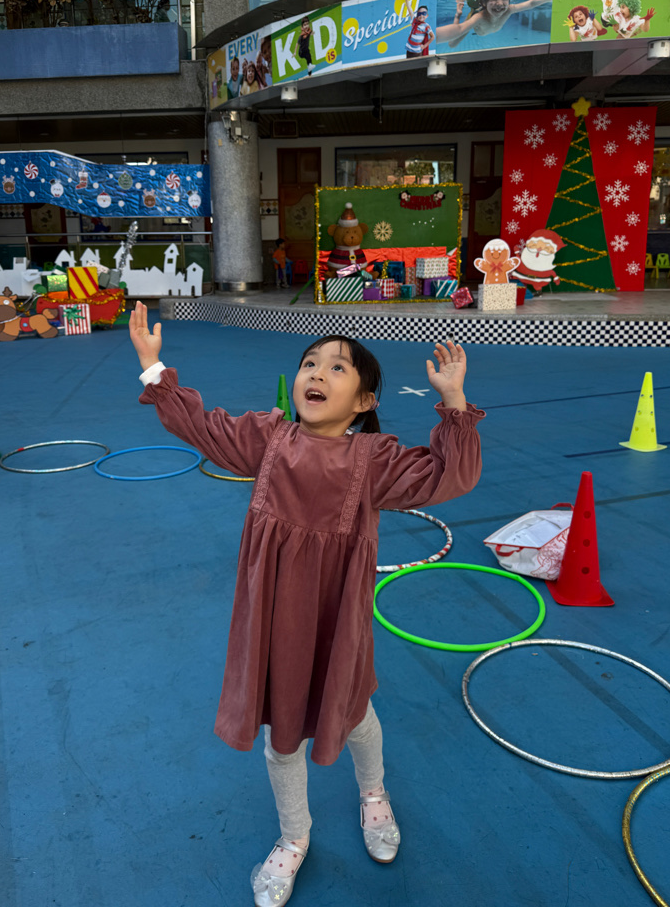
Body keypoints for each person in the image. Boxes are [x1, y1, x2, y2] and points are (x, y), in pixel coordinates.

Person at [129, 305, 484, 907]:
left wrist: (454, 402)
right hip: (273, 620)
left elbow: (450, 476)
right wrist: (152, 367)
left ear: (365, 401)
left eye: (337, 368)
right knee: (283, 731)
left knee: (353, 711)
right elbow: (202, 427)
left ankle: (373, 794)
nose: (316, 373)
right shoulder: (267, 440)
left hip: (336, 619)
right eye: (310, 363)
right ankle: (294, 836)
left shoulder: (373, 462)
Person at [446, 0, 552, 49]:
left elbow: (531, 3)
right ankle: (473, 7)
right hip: (478, 14)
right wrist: (457, 16)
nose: (500, 3)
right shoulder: (478, 18)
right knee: (472, 12)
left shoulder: (509, 9)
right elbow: (452, 43)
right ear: (485, 1)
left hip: (484, 7)